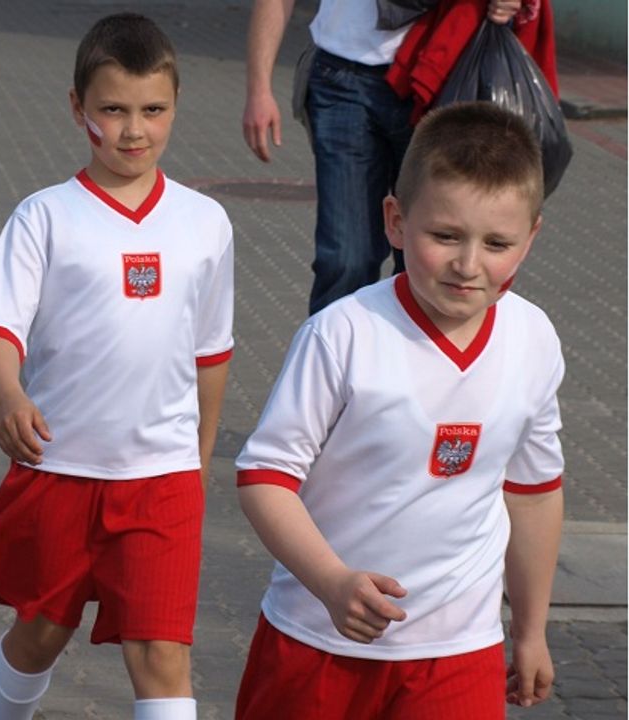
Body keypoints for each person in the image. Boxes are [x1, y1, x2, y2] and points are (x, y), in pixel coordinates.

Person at [234, 101, 563, 719]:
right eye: (444, 236)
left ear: (531, 237)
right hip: (316, 641)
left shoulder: (534, 338)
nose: (469, 265)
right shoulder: (343, 333)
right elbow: (264, 478)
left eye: (497, 243)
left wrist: (530, 629)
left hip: (459, 651)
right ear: (394, 218)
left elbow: (534, 491)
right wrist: (331, 581)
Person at [0, 13, 234, 720]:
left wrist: (196, 462)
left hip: (161, 479)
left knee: (160, 653)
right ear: (78, 107)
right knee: (44, 632)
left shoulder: (206, 224)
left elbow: (213, 351)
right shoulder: (44, 216)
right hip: (61, 467)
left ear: (175, 106)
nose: (134, 130)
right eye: (113, 110)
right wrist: (8, 394)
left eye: (152, 110)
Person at [241, 0, 522, 315]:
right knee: (346, 259)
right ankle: (333, 358)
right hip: (341, 77)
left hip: (440, 76)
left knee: (429, 256)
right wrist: (259, 89)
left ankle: (421, 360)